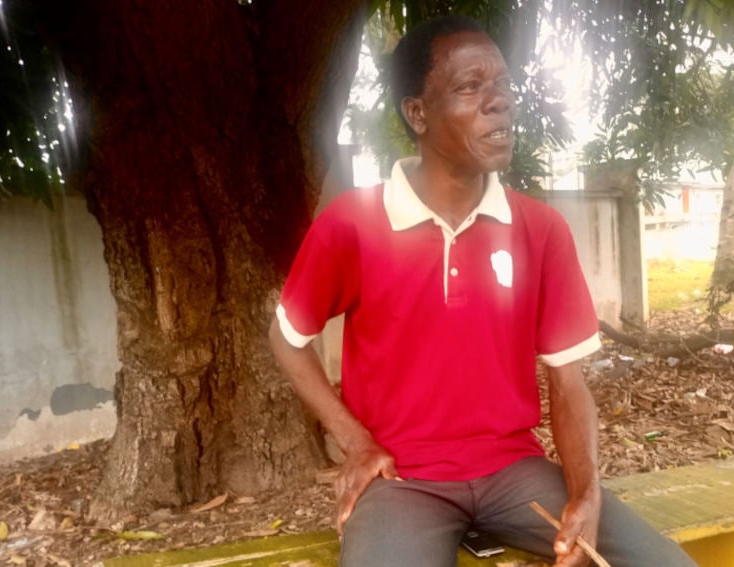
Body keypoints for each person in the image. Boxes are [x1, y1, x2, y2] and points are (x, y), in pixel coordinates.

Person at [269, 15, 696, 567]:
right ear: (417, 113)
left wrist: (586, 493)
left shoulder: (539, 229)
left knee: (666, 564)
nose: (499, 102)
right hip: (403, 480)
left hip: (515, 474)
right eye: (470, 87)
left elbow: (567, 383)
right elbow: (287, 340)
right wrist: (356, 441)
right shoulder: (353, 223)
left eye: (503, 85)